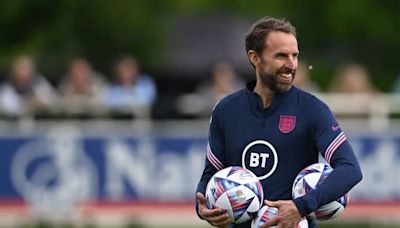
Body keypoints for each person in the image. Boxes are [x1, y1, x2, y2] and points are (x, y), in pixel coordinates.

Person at [195, 16, 362, 228]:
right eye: (281, 56)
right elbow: (211, 174)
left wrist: (301, 206)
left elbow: (350, 169)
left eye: (295, 56)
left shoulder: (312, 110)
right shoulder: (226, 110)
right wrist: (201, 207)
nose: (291, 65)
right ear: (255, 58)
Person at [176, 61, 243, 117]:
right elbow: (196, 106)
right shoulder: (206, 91)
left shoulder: (241, 91)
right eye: (220, 73)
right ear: (215, 76)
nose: (224, 78)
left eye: (226, 74)